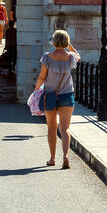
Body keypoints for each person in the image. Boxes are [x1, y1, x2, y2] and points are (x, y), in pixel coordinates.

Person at [32, 30, 79, 169]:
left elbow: (42, 76)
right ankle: (65, 156)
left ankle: (52, 159)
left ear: (53, 41)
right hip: (67, 95)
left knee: (52, 128)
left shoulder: (47, 57)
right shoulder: (71, 57)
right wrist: (69, 46)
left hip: (50, 96)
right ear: (66, 42)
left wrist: (36, 90)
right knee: (65, 129)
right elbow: (78, 55)